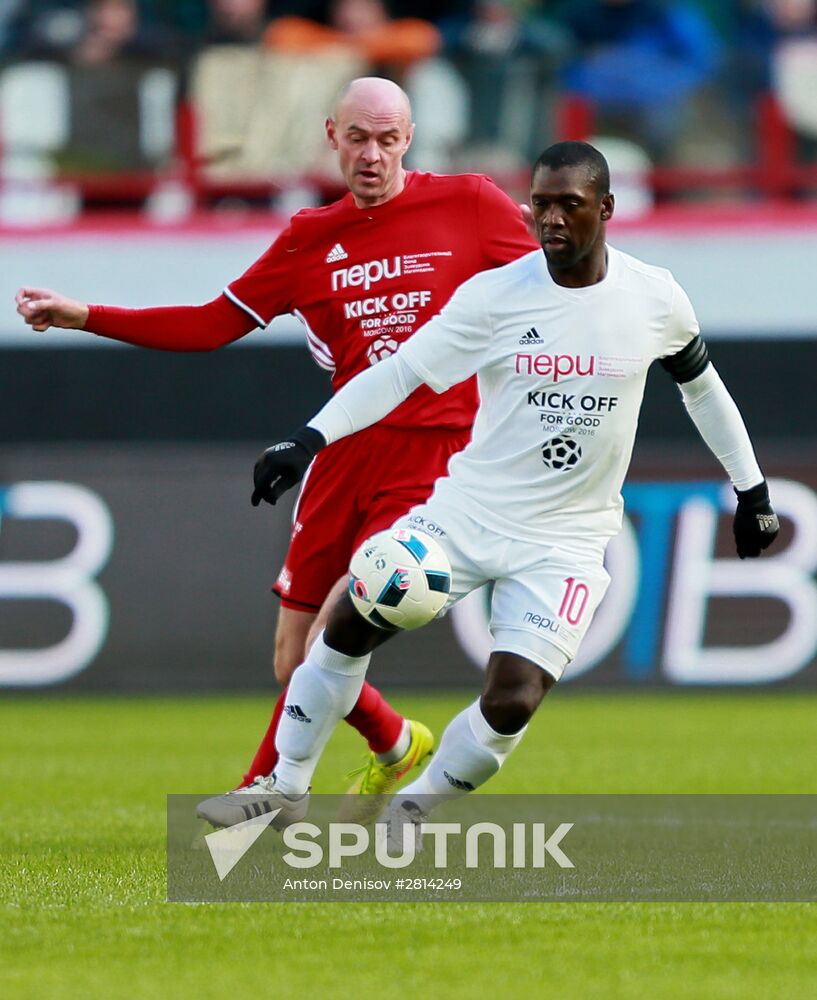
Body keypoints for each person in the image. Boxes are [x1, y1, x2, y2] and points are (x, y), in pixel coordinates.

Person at [195, 140, 779, 832]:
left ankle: (413, 810)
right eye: (540, 204)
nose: (552, 219)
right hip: (464, 515)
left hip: (565, 539)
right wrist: (307, 438)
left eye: (570, 205)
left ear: (607, 209)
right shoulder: (495, 295)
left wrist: (752, 494)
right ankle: (284, 785)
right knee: (349, 619)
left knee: (512, 700)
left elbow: (702, 392)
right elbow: (400, 373)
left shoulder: (654, 298)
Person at [15, 77, 536, 810]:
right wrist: (85, 315)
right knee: (294, 657)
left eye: (388, 139)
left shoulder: (472, 204)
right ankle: (396, 743)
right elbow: (208, 324)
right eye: (358, 137)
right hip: (341, 449)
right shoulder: (307, 238)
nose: (373, 155)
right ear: (332, 136)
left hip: (435, 456)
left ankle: (267, 791)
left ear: (409, 139)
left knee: (335, 627)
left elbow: (557, 281)